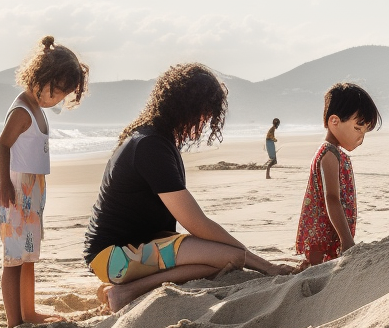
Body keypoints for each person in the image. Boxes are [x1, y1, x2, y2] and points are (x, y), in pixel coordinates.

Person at [87, 63, 298, 315]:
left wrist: (248, 258)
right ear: (184, 106)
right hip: (113, 257)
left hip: (140, 247)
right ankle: (125, 291)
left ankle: (127, 287)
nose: (206, 119)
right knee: (232, 258)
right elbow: (195, 222)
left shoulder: (156, 139)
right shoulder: (150, 146)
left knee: (225, 259)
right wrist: (263, 264)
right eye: (204, 111)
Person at [0, 36, 85, 326]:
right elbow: (2, 146)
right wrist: (4, 184)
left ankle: (29, 312)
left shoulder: (38, 110)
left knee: (29, 255)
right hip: (17, 190)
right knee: (14, 259)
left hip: (34, 190)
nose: (56, 99)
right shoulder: (22, 110)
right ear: (40, 77)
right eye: (56, 92)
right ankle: (14, 321)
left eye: (62, 96)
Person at [296, 83, 380, 267]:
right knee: (316, 266)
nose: (360, 138)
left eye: (364, 133)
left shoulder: (336, 153)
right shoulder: (329, 154)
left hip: (329, 230)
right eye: (358, 128)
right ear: (334, 121)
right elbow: (332, 198)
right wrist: (347, 240)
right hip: (323, 230)